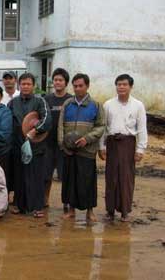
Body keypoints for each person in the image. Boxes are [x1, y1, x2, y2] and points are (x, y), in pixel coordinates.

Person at [99, 74, 147, 222]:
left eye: (124, 84)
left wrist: (140, 149)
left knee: (126, 178)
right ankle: (110, 210)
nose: (121, 87)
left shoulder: (138, 105)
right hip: (112, 143)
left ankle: (125, 211)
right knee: (111, 177)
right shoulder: (108, 104)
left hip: (128, 143)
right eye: (119, 84)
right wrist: (102, 146)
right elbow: (103, 127)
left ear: (130, 87)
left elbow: (142, 128)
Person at [58, 73, 105, 222]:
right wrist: (63, 145)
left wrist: (87, 139)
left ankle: (90, 211)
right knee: (70, 181)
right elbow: (60, 126)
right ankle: (71, 210)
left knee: (87, 181)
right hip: (69, 150)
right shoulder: (67, 104)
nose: (78, 89)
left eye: (81, 86)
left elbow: (101, 126)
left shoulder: (96, 105)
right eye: (75, 86)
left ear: (87, 86)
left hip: (87, 150)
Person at [8, 73, 52, 218]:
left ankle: (37, 207)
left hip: (36, 146)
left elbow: (47, 120)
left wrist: (35, 130)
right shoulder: (13, 102)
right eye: (23, 84)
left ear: (33, 86)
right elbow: (8, 120)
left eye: (28, 84)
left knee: (35, 177)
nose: (25, 86)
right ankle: (19, 205)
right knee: (19, 176)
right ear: (19, 85)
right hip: (18, 145)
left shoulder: (40, 102)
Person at [44, 68, 73, 210]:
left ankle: (66, 202)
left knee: (65, 175)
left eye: (60, 80)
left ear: (66, 82)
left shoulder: (71, 100)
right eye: (55, 80)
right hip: (48, 143)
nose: (58, 82)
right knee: (46, 174)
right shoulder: (46, 99)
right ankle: (45, 200)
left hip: (64, 144)